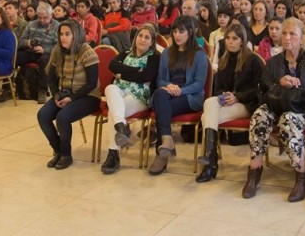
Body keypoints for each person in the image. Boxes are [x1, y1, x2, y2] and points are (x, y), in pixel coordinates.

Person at [243, 18, 305, 201]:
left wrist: (297, 88)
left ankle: (302, 177)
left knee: (288, 120)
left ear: (303, 37)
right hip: (278, 104)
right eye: (285, 33)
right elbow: (263, 88)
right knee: (259, 116)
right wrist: (280, 83)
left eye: (292, 34)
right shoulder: (274, 61)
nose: (287, 37)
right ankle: (254, 172)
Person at [196, 23, 264, 182]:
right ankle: (210, 159)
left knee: (206, 118)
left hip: (247, 104)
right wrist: (225, 94)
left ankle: (210, 162)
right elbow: (218, 88)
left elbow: (260, 89)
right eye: (227, 38)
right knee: (210, 103)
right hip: (227, 102)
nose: (230, 42)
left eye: (234, 38)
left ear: (242, 41)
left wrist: (238, 96)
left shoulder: (253, 59)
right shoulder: (224, 58)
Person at [149, 16, 209, 176]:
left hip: (190, 97)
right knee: (161, 95)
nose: (177, 35)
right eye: (174, 31)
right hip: (168, 93)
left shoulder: (199, 54)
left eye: (181, 31)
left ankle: (161, 154)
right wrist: (169, 86)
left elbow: (199, 84)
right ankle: (167, 140)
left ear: (190, 32)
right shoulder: (167, 52)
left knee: (162, 107)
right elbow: (160, 79)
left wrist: (180, 91)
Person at [38, 20, 100, 170]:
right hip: (64, 93)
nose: (63, 38)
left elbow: (92, 83)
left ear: (76, 35)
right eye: (61, 34)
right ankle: (58, 151)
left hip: (88, 96)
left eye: (67, 34)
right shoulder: (57, 51)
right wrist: (56, 96)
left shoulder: (87, 52)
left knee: (62, 117)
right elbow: (52, 79)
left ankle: (66, 154)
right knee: (43, 115)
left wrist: (71, 98)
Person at [100, 24, 160, 174]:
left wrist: (122, 74)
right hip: (119, 91)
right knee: (110, 89)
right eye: (140, 36)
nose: (142, 39)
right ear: (135, 38)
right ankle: (121, 127)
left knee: (113, 112)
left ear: (152, 42)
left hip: (138, 97)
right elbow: (112, 65)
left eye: (147, 37)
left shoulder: (154, 57)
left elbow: (146, 76)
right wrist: (136, 70)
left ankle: (113, 154)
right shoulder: (126, 52)